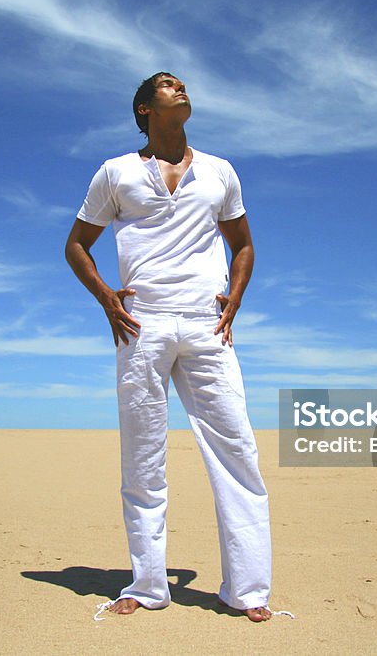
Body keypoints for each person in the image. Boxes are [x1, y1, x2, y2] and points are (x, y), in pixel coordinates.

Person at [64, 72, 274, 622]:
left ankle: (248, 590)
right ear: (143, 110)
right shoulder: (116, 173)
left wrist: (236, 298)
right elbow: (77, 245)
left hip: (208, 324)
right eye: (165, 85)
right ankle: (148, 584)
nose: (178, 88)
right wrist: (108, 299)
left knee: (237, 452)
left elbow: (244, 244)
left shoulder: (219, 171)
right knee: (143, 458)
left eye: (181, 84)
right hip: (142, 325)